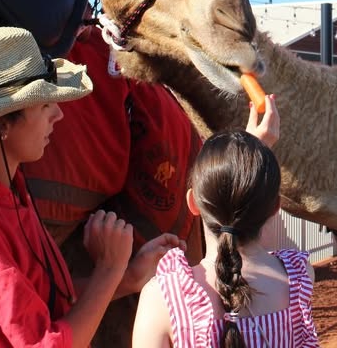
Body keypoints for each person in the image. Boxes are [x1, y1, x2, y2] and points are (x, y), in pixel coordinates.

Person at [0, 25, 183, 347]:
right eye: (43, 105)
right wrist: (109, 269)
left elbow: (42, 306)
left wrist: (128, 277)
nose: (58, 114)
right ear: (0, 125)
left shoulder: (10, 191)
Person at [131, 95, 320, 348]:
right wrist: (254, 158)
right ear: (275, 207)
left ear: (193, 203)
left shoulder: (163, 299)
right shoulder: (298, 278)